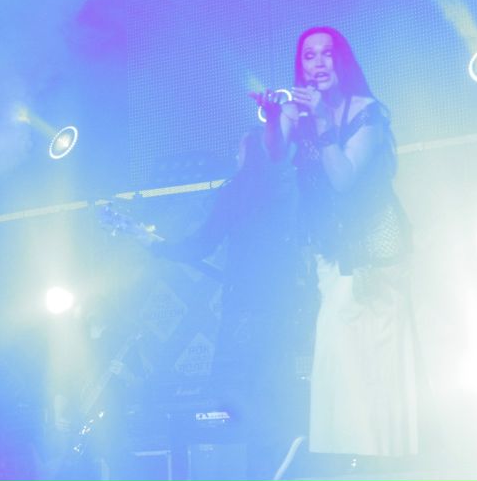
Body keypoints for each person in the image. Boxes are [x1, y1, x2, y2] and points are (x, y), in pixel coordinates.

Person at [252, 27, 418, 464]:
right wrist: (274, 118)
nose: (318, 63)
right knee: (336, 349)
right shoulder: (297, 111)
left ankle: (387, 456)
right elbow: (274, 157)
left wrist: (324, 124)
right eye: (309, 56)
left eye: (326, 54)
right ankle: (345, 455)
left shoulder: (367, 113)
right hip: (332, 249)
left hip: (377, 250)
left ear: (342, 60)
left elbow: (343, 179)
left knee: (379, 353)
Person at [151, 127, 307, 481]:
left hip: (245, 306)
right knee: (274, 384)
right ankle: (279, 458)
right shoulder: (287, 187)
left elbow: (201, 244)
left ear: (248, 153)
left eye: (239, 150)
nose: (235, 156)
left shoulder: (236, 192)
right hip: (283, 302)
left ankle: (259, 466)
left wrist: (157, 245)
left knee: (236, 389)